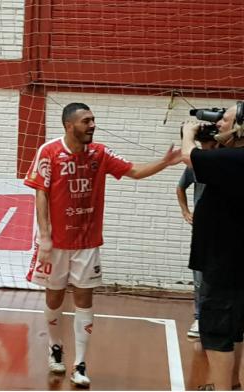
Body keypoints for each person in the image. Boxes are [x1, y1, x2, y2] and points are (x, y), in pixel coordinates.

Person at [24, 102, 181, 388]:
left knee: (85, 299)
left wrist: (164, 162)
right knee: (54, 298)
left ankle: (80, 364)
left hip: (87, 242)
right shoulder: (49, 152)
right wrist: (45, 235)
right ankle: (55, 348)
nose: (93, 125)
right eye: (86, 121)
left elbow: (133, 171)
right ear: (69, 125)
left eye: (93, 119)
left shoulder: (100, 152)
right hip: (56, 243)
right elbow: (41, 194)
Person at [181, 102, 244, 391]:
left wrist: (188, 133)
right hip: (234, 260)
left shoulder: (235, 158)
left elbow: (188, 156)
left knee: (216, 331)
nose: (218, 123)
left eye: (225, 120)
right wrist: (210, 145)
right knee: (235, 327)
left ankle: (223, 389)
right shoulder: (231, 159)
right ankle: (230, 384)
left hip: (224, 261)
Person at [176, 138, 216, 339]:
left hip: (227, 225)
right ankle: (199, 317)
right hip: (202, 226)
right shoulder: (195, 164)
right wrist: (186, 211)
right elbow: (180, 187)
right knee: (199, 275)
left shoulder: (227, 160)